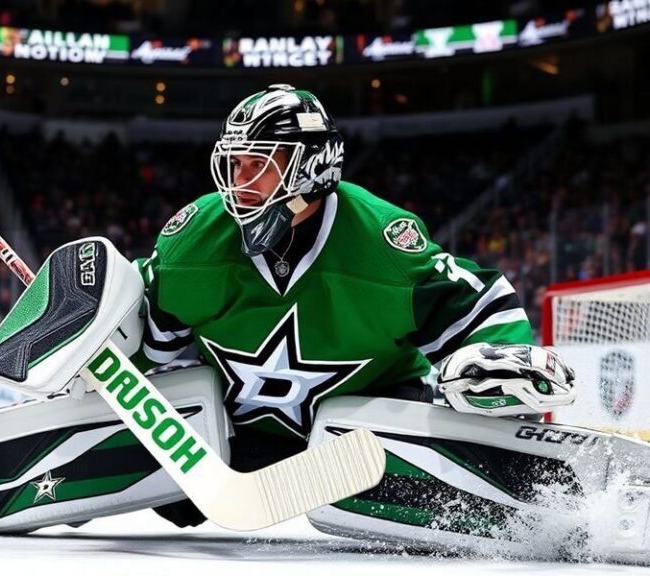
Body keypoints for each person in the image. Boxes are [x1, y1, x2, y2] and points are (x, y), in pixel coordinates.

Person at [134, 84, 575, 527]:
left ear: (311, 166)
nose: (240, 181)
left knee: (404, 489)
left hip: (366, 437)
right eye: (235, 163)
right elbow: (141, 332)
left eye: (260, 163)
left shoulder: (380, 244)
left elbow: (477, 303)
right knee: (171, 490)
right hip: (240, 435)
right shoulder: (193, 241)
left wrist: (496, 357)